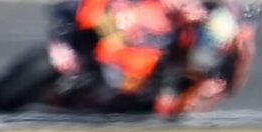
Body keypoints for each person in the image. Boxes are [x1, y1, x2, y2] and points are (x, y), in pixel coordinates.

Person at [46, 0, 248, 115]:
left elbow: (232, 59)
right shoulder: (136, 7)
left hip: (150, 87)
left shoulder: (212, 24)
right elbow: (70, 11)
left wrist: (214, 86)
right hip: (107, 63)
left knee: (165, 105)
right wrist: (62, 43)